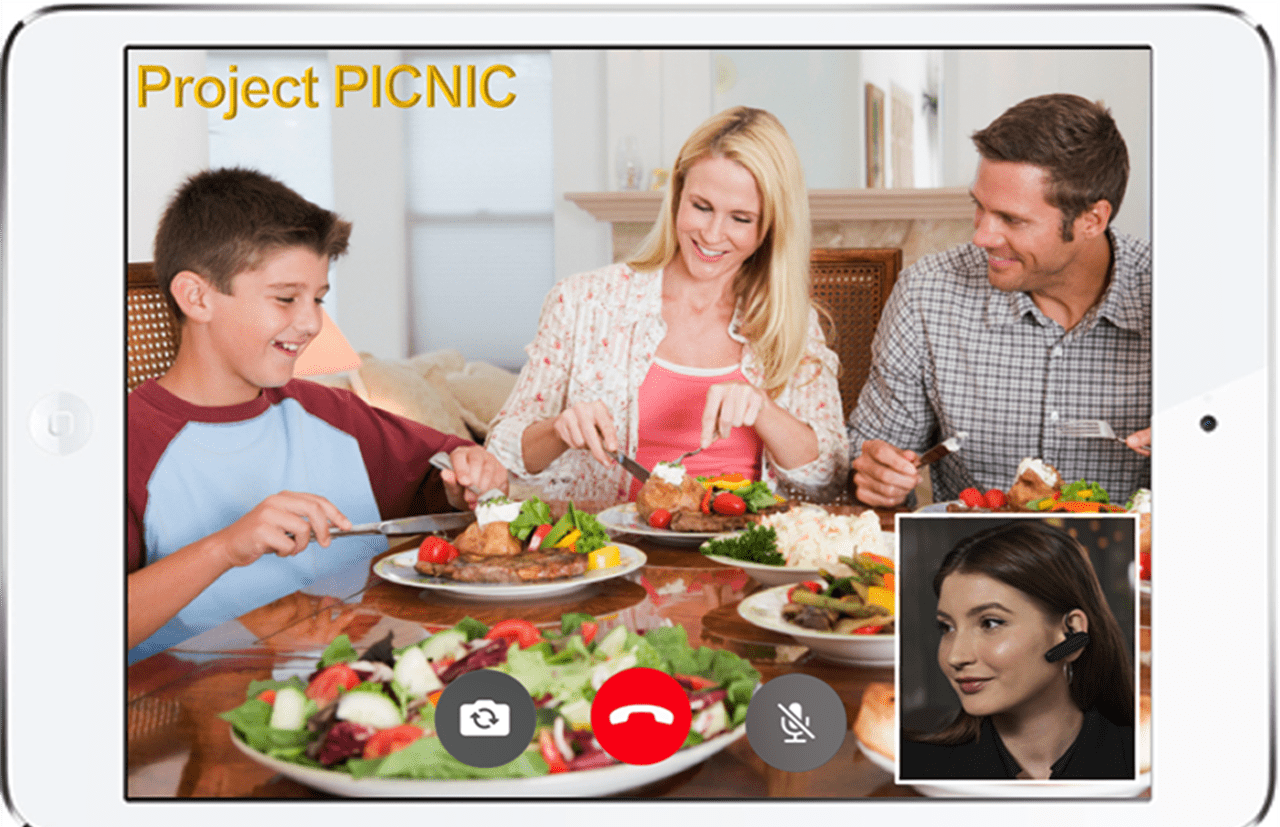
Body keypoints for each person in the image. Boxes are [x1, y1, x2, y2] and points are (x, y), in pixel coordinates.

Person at [128, 167, 508, 663]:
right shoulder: (126, 444)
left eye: (318, 299)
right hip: (200, 715)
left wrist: (466, 477)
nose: (311, 323)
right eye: (286, 298)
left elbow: (447, 463)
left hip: (368, 687)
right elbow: (67, 630)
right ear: (197, 297)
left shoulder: (330, 413)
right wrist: (225, 547)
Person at [487, 106, 847, 503]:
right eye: (701, 206)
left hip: (746, 552)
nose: (712, 234)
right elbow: (503, 452)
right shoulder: (582, 303)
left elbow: (828, 478)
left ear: (771, 228)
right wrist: (558, 429)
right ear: (677, 196)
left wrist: (764, 410)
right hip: (616, 553)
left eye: (741, 219)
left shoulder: (792, 323)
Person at [848, 93, 1151, 507]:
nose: (982, 236)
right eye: (980, 207)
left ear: (1091, 220)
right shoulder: (928, 292)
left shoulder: (1176, 299)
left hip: (1131, 567)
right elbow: (871, 459)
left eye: (1012, 219)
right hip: (969, 564)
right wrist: (875, 476)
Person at [900, 520, 1135, 780]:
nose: (956, 656)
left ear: (1071, 633)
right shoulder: (909, 763)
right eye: (947, 627)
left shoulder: (1145, 759)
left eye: (990, 623)